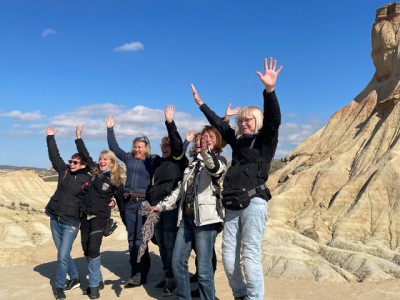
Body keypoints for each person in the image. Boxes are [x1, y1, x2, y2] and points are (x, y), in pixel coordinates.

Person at [191, 57, 282, 300]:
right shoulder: (239, 142)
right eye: (241, 120)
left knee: (249, 256)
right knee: (229, 258)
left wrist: (270, 90)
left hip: (253, 202)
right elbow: (221, 128)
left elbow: (274, 121)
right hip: (232, 203)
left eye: (247, 119)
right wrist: (202, 105)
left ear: (256, 121)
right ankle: (240, 295)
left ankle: (254, 298)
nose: (243, 123)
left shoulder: (265, 141)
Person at [153, 125, 226, 300]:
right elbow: (180, 191)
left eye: (211, 137)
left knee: (204, 269)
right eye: (204, 137)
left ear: (217, 142)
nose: (206, 139)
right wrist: (160, 206)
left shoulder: (219, 159)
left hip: (205, 222)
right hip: (186, 219)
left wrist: (206, 153)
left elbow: (215, 169)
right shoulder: (192, 164)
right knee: (178, 263)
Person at [106, 115, 160, 287]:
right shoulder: (128, 158)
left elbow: (171, 157)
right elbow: (114, 147)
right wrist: (110, 129)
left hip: (143, 203)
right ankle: (135, 270)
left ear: (146, 148)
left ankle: (142, 272)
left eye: (140, 147)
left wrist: (185, 143)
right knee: (131, 239)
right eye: (135, 146)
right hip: (129, 204)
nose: (137, 149)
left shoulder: (152, 160)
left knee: (140, 240)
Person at [74, 125, 123, 299]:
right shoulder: (94, 172)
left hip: (100, 218)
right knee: (86, 250)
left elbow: (122, 201)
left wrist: (123, 214)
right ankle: (99, 279)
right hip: (85, 215)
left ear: (112, 163)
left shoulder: (115, 180)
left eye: (106, 159)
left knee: (94, 248)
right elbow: (85, 155)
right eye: (101, 159)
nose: (102, 161)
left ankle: (94, 286)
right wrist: (78, 137)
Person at [44, 127, 92, 300]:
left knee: (62, 256)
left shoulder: (87, 180)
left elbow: (96, 198)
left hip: (71, 223)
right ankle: (75, 278)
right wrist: (50, 138)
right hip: (55, 219)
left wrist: (111, 202)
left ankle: (59, 287)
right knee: (63, 254)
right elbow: (54, 156)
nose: (71, 164)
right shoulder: (63, 171)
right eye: (71, 161)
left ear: (83, 165)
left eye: (75, 162)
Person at [147, 105, 188, 296]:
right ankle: (167, 275)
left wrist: (170, 123)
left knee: (170, 244)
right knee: (162, 244)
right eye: (162, 146)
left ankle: (173, 280)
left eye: (167, 145)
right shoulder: (159, 163)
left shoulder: (178, 160)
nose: (164, 148)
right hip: (156, 209)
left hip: (170, 209)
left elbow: (179, 146)